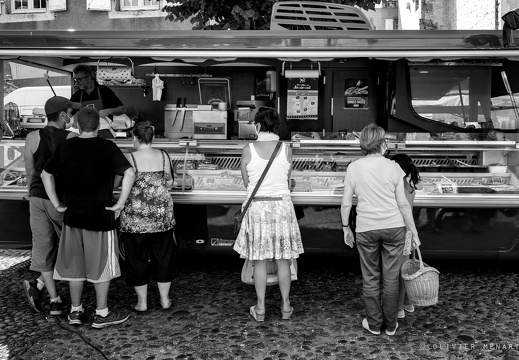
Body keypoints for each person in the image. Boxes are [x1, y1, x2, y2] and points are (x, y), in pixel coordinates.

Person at [41, 107, 135, 328]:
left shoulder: (66, 146)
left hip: (73, 216)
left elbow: (46, 174)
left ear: (77, 124)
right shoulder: (108, 147)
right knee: (102, 266)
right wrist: (120, 203)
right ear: (99, 125)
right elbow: (129, 172)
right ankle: (101, 314)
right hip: (101, 217)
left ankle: (75, 311)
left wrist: (57, 204)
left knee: (75, 266)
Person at [340, 123, 420, 336]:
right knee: (392, 278)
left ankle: (375, 325)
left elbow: (346, 203)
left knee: (371, 277)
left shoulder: (354, 167)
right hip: (394, 228)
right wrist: (414, 232)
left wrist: (346, 227)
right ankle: (391, 326)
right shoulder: (394, 167)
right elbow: (403, 204)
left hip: (366, 229)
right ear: (380, 144)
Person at [233, 107, 304, 322]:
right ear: (277, 126)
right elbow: (286, 181)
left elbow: (247, 183)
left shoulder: (248, 149)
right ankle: (285, 306)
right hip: (282, 208)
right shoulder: (286, 149)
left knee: (260, 260)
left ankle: (261, 308)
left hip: (258, 209)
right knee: (284, 260)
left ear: (257, 126)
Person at [22, 96, 81, 314]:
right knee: (71, 246)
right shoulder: (72, 137)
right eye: (70, 113)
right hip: (60, 200)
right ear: (63, 115)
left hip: (37, 196)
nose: (72, 117)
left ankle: (54, 300)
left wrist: (31, 194)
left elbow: (30, 171)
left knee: (43, 247)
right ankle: (74, 301)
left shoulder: (31, 137)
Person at [118, 121, 175, 312]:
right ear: (153, 137)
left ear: (134, 138)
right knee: (163, 258)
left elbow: (119, 183)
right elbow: (170, 182)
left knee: (136, 259)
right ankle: (165, 300)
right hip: (161, 218)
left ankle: (142, 303)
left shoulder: (129, 158)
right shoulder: (164, 156)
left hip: (135, 220)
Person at [390, 153, 421, 319]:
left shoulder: (397, 183)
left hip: (399, 229)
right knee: (408, 268)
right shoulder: (410, 182)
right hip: (409, 230)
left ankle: (399, 307)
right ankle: (409, 303)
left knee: (399, 271)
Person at [70, 65, 126, 138]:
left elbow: (122, 109)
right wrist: (74, 120)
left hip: (104, 134)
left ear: (89, 78)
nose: (77, 82)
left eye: (79, 79)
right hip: (85, 135)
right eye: (75, 79)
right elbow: (69, 114)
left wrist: (109, 111)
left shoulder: (105, 92)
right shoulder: (76, 96)